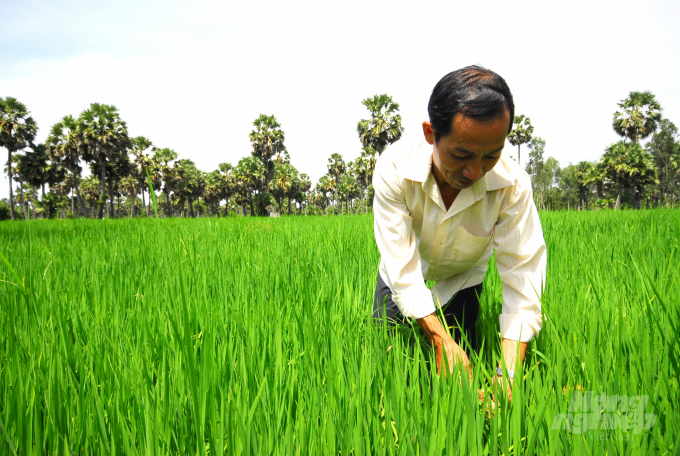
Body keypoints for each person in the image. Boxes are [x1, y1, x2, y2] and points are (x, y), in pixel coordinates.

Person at [372, 65, 547, 401]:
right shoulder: (394, 168)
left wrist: (507, 375)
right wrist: (438, 338)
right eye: (461, 154)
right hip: (402, 275)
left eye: (491, 156)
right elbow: (402, 268)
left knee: (459, 370)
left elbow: (522, 279)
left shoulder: (512, 185)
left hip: (463, 278)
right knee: (390, 364)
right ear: (430, 133)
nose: (474, 171)